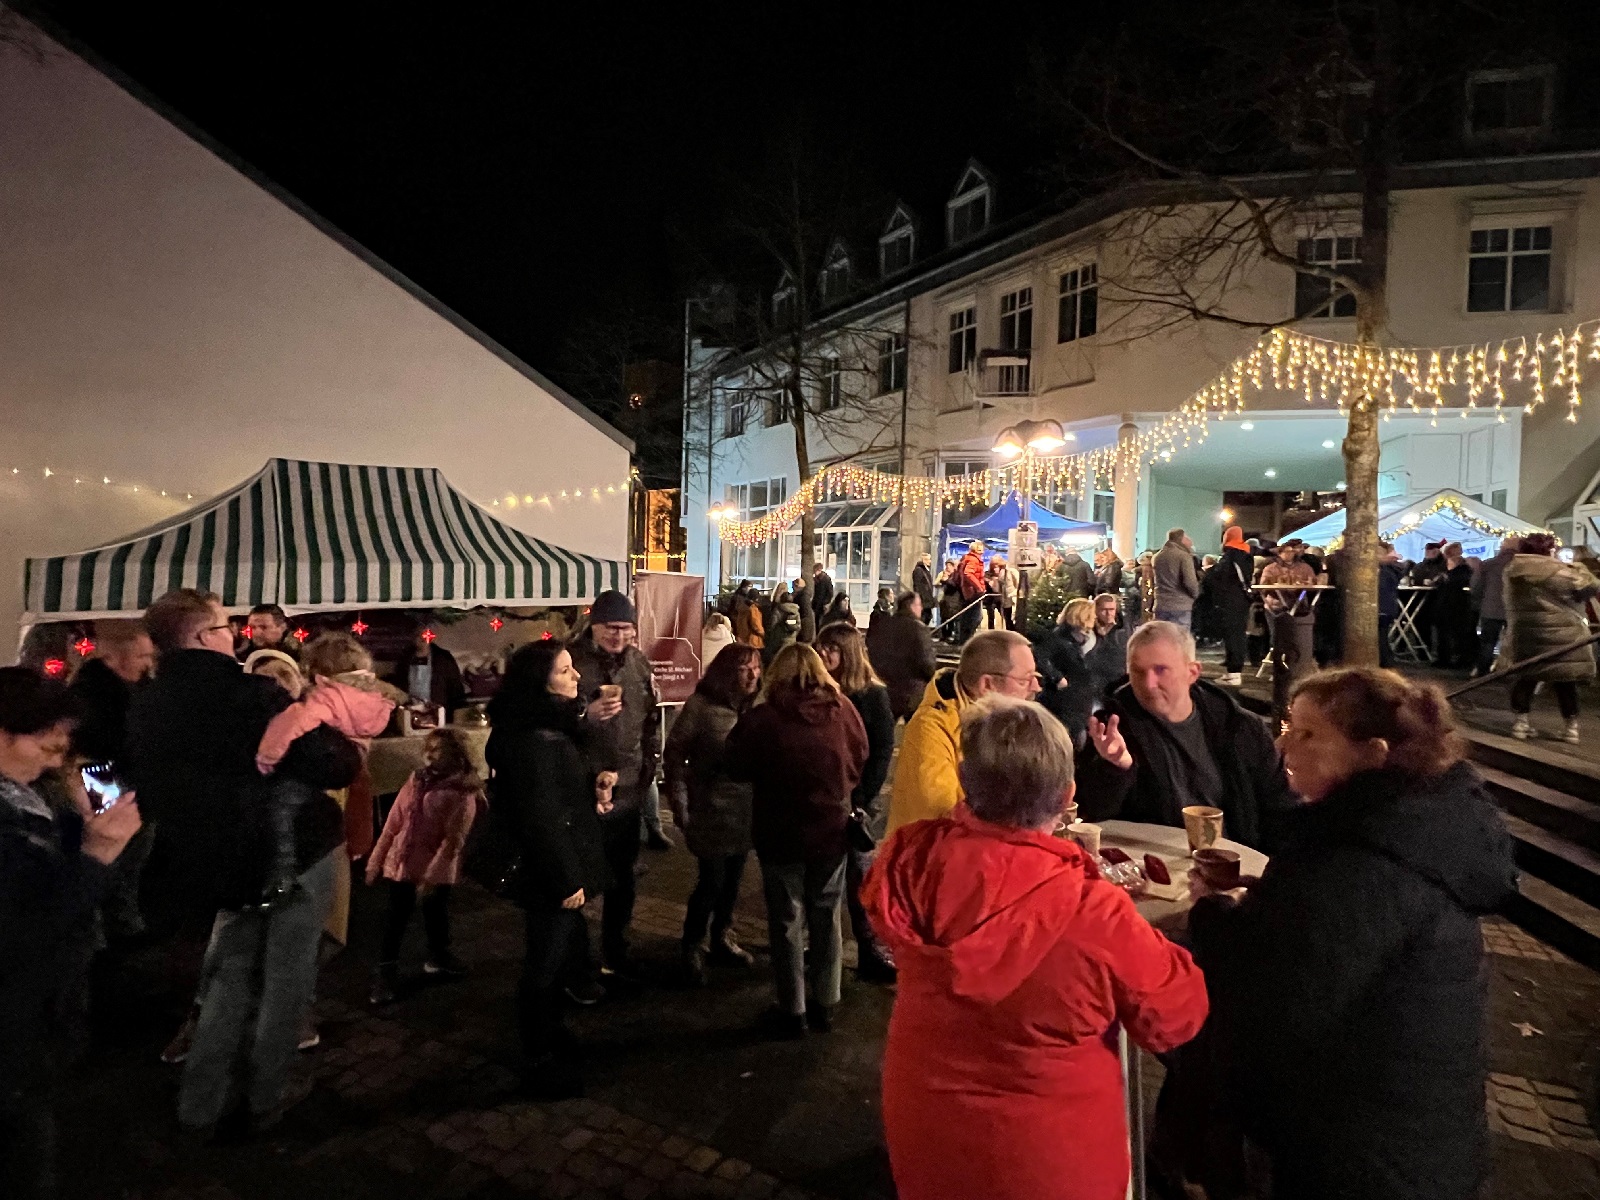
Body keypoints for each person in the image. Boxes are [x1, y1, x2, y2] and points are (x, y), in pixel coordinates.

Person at [865, 695, 1209, 1200]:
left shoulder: (912, 862)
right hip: (1052, 1160)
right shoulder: (1093, 913)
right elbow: (1175, 1016)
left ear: (965, 779)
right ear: (1067, 794)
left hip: (928, 1129)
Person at [1189, 668, 1516, 1200]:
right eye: (1288, 727)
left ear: (1372, 754)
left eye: (1309, 734)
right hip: (1412, 1136)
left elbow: (1271, 996)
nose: (1283, 745)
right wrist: (1277, 899)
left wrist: (1212, 915)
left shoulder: (1361, 861)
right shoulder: (1406, 830)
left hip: (1362, 1154)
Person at [126, 588, 360, 1136]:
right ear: (203, 636)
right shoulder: (251, 694)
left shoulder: (146, 703)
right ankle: (265, 1093)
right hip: (290, 853)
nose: (234, 634)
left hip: (212, 859)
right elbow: (335, 765)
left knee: (226, 976)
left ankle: (200, 1102)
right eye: (224, 625)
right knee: (285, 978)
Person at [1, 667, 143, 1199]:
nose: (53, 760)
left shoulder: (30, 794)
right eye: (47, 745)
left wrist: (83, 828)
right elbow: (30, 927)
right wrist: (98, 854)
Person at [486, 641, 612, 1098]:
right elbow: (540, 815)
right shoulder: (535, 738)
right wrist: (566, 878)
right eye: (564, 671)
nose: (576, 676)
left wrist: (594, 783)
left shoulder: (544, 725)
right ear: (539, 682)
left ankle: (553, 1032)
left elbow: (557, 794)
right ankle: (537, 1055)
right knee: (544, 961)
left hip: (557, 861)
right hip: (551, 869)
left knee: (557, 954)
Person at [724, 644, 868, 1037]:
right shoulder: (843, 710)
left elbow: (735, 764)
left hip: (780, 832)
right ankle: (827, 1000)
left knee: (786, 919)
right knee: (827, 913)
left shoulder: (766, 718)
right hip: (831, 830)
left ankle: (793, 1010)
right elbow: (861, 754)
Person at [1079, 621, 1296, 851]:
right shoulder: (1112, 727)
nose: (1149, 684)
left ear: (1192, 672)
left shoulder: (1240, 728)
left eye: (1160, 670)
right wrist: (1115, 768)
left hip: (1231, 858)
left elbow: (1279, 809)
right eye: (1138, 672)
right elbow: (1089, 812)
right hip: (1152, 859)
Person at [254, 633, 398, 907]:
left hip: (322, 774)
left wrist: (267, 756)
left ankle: (282, 875)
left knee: (281, 810)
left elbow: (296, 721)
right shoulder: (373, 697)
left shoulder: (327, 697)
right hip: (353, 768)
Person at [568, 589, 663, 971]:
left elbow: (651, 720)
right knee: (576, 878)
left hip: (626, 788)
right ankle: (575, 960)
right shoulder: (571, 662)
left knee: (622, 877)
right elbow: (550, 717)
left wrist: (647, 772)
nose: (618, 635)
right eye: (610, 627)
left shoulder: (639, 664)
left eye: (625, 627)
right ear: (594, 626)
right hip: (581, 787)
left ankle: (615, 951)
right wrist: (583, 715)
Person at [365, 728, 485, 1005]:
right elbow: (394, 821)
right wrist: (376, 860)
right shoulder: (417, 780)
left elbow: (452, 842)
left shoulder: (462, 793)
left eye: (436, 749)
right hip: (403, 864)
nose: (428, 754)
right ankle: (386, 972)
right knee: (395, 918)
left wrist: (431, 878)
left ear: (456, 754)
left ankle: (439, 955)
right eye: (427, 748)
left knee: (435, 912)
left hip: (434, 868)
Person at [664, 644, 761, 987]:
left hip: (745, 811)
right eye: (744, 668)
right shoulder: (701, 707)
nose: (753, 675)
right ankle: (692, 944)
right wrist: (680, 803)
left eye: (756, 667)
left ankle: (722, 936)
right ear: (726, 672)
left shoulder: (756, 707)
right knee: (712, 881)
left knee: (734, 881)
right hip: (710, 809)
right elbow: (675, 755)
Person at [885, 629, 1040, 836]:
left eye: (1035, 676)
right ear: (987, 685)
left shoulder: (1001, 720)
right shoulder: (930, 728)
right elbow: (940, 812)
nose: (1036, 687)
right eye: (1024, 680)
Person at [814, 623, 897, 984]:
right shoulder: (818, 690)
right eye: (821, 647)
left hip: (857, 801)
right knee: (823, 877)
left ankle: (868, 949)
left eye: (831, 648)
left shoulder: (872, 695)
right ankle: (821, 945)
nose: (823, 654)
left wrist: (864, 797)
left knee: (860, 878)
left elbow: (882, 749)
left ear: (847, 653)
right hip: (825, 798)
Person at [1503, 532, 1600, 743]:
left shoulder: (1513, 570)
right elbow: (1590, 588)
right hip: (1563, 635)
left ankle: (1520, 725)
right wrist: (1580, 567)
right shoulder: (1560, 572)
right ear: (1550, 550)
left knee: (1526, 677)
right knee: (1565, 681)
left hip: (1526, 633)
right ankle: (1571, 729)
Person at [68, 619, 155, 766]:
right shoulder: (89, 694)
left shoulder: (149, 691)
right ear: (114, 658)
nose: (148, 663)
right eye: (141, 656)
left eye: (149, 656)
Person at [1258, 541, 1318, 717]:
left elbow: (1313, 583)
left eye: (1292, 551)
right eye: (1286, 551)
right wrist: (1273, 591)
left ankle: (1296, 664)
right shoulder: (1271, 568)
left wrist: (1306, 583)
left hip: (1298, 606)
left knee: (1298, 636)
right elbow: (1264, 587)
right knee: (1279, 637)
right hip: (1276, 606)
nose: (1289, 554)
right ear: (1280, 552)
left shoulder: (1304, 567)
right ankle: (1281, 666)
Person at [865, 591, 938, 722]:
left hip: (886, 685)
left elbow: (873, 650)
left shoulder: (885, 625)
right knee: (916, 723)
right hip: (912, 690)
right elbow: (926, 662)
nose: (921, 608)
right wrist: (932, 678)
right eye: (919, 605)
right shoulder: (918, 628)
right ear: (911, 606)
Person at [1040, 598, 1102, 747]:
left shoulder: (1091, 638)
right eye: (1092, 614)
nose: (1095, 617)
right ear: (1081, 615)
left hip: (1083, 700)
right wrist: (1058, 678)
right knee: (1070, 741)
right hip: (1065, 701)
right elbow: (1040, 659)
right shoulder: (1058, 637)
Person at [383, 621, 467, 719]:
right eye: (418, 635)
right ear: (413, 637)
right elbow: (399, 684)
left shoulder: (443, 658)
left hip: (438, 713)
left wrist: (457, 715)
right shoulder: (405, 658)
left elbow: (456, 689)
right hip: (410, 712)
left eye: (425, 635)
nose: (422, 639)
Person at [1209, 526, 1254, 686]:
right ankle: (1232, 672)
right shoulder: (1246, 554)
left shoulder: (1231, 555)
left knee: (1233, 635)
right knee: (1238, 633)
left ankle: (1234, 673)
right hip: (1241, 599)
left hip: (1230, 600)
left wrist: (1211, 572)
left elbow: (1221, 577)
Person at [1471, 536, 1518, 676]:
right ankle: (1511, 670)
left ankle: (1482, 671)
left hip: (1491, 608)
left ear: (1502, 547)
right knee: (1514, 642)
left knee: (1488, 642)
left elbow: (1476, 585)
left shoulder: (1488, 564)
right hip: (1514, 608)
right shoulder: (1521, 566)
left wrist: (1479, 601)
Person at [1436, 541, 1477, 669]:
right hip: (1445, 603)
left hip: (1459, 603)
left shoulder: (1464, 568)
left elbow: (1464, 581)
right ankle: (1445, 658)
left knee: (1459, 632)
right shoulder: (1442, 567)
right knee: (1445, 632)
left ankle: (1462, 659)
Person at [1152, 529, 1199, 628]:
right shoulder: (1183, 556)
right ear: (1181, 539)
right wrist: (1197, 596)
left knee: (1162, 635)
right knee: (1180, 636)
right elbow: (1190, 582)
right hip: (1180, 605)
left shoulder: (1158, 556)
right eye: (1186, 537)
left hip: (1161, 604)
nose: (1190, 540)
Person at [956, 541, 987, 641]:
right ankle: (967, 640)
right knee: (976, 617)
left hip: (968, 591)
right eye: (980, 548)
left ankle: (964, 640)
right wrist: (979, 588)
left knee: (968, 617)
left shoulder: (968, 558)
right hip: (973, 592)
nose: (982, 550)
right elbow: (968, 573)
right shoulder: (974, 559)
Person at [763, 582, 801, 665]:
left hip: (779, 640)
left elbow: (772, 624)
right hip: (791, 639)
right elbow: (798, 626)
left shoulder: (778, 609)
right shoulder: (796, 611)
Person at [985, 554, 1019, 630]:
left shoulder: (1010, 572)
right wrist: (993, 581)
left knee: (1010, 619)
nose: (995, 569)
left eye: (997, 566)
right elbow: (996, 589)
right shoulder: (989, 574)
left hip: (1010, 598)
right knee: (1000, 618)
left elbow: (1017, 584)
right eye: (994, 567)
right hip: (997, 599)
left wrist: (1015, 594)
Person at [731, 583, 765, 649]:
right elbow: (756, 624)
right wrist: (762, 633)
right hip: (753, 640)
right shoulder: (753, 609)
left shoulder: (741, 607)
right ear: (756, 598)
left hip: (742, 638)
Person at [936, 558, 963, 629]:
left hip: (953, 601)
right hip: (946, 600)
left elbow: (955, 585)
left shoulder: (957, 575)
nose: (948, 567)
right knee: (944, 619)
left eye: (950, 565)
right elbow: (937, 583)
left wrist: (946, 580)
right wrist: (943, 580)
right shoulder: (944, 573)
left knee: (953, 620)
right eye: (947, 565)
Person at [911, 553, 936, 622]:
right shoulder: (919, 570)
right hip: (924, 600)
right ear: (923, 560)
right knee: (924, 617)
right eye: (928, 559)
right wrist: (921, 598)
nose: (930, 561)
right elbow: (918, 585)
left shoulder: (925, 570)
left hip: (926, 600)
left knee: (928, 616)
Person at [811, 563, 835, 629]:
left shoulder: (825, 579)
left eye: (815, 571)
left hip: (821, 605)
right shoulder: (817, 579)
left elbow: (830, 592)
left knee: (820, 621)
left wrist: (825, 603)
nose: (814, 573)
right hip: (817, 603)